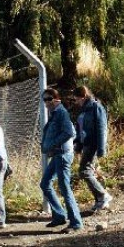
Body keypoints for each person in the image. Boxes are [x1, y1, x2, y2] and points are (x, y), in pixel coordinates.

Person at [40, 88, 84, 234]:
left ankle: (76, 222)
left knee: (64, 188)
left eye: (49, 99)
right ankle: (59, 215)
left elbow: (69, 133)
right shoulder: (55, 114)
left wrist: (54, 144)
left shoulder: (61, 113)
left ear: (56, 99)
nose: (46, 102)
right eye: (44, 99)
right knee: (45, 183)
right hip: (58, 154)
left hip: (62, 155)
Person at [73, 85, 112, 211]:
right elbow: (80, 129)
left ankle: (103, 195)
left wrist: (101, 148)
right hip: (86, 144)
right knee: (85, 171)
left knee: (85, 171)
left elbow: (102, 128)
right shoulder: (84, 110)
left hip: (93, 145)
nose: (76, 102)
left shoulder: (96, 107)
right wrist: (78, 146)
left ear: (83, 97)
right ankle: (100, 200)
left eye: (77, 99)